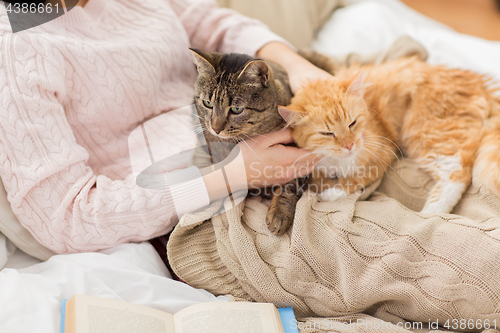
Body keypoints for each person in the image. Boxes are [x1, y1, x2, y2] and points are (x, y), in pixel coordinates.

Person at [0, 0, 331, 254]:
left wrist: (296, 65)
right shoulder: (16, 50)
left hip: (270, 136)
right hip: (197, 206)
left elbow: (212, 23)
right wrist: (234, 175)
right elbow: (66, 218)